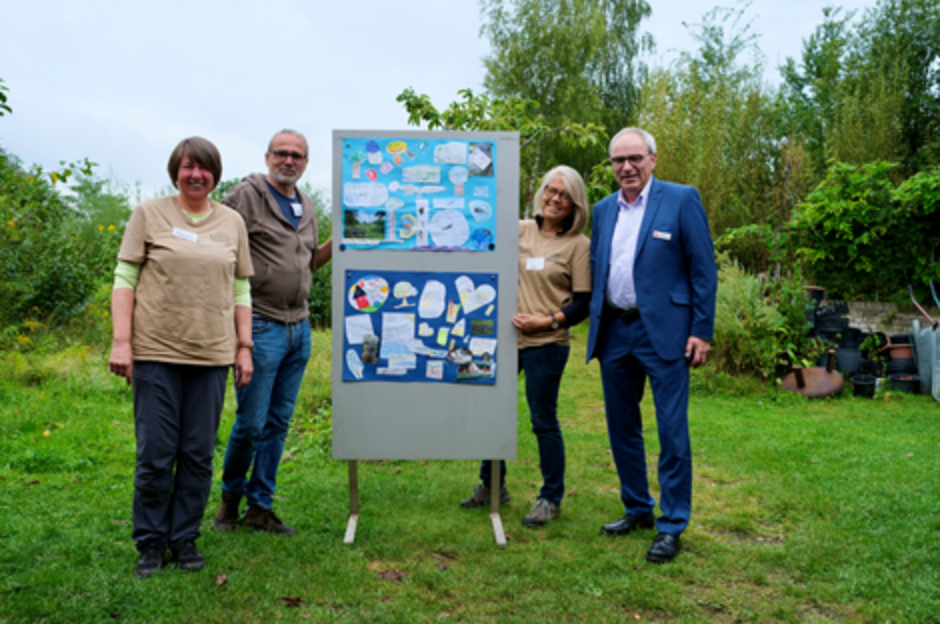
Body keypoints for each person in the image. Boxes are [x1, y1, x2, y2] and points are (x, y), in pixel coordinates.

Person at [108, 137, 254, 579]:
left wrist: (243, 347)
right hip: (156, 353)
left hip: (211, 356)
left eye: (204, 168)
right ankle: (150, 542)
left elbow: (241, 288)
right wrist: (122, 341)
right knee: (155, 454)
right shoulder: (149, 214)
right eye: (188, 166)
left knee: (196, 453)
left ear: (215, 174)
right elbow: (125, 277)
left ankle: (184, 537)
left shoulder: (232, 222)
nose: (196, 174)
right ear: (176, 170)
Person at [587, 127, 717, 563]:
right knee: (621, 428)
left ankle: (672, 523)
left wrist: (701, 330)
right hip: (615, 332)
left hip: (666, 333)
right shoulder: (603, 210)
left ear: (653, 159)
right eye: (619, 160)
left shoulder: (681, 200)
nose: (627, 167)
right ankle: (637, 509)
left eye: (635, 158)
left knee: (671, 430)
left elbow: (703, 269)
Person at [213, 129, 332, 536]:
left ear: (305, 163)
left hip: (299, 328)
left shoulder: (307, 204)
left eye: (297, 155)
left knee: (278, 423)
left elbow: (306, 264)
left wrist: (339, 244)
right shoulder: (246, 196)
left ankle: (260, 506)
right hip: (260, 325)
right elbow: (219, 248)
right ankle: (229, 500)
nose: (288, 160)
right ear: (267, 158)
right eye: (281, 153)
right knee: (251, 423)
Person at [460, 165, 592, 528]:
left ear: (575, 203)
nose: (555, 198)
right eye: (551, 190)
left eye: (565, 195)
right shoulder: (519, 229)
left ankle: (551, 498)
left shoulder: (579, 246)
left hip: (546, 343)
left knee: (542, 420)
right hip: (500, 340)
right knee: (490, 411)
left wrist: (547, 321)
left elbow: (583, 304)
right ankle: (492, 486)